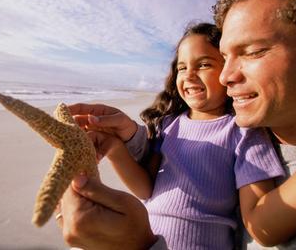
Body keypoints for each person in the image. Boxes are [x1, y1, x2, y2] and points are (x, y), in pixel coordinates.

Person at [56, 0, 296, 249]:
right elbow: (151, 182)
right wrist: (120, 144)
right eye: (224, 57)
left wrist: (140, 244)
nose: (226, 76)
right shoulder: (175, 125)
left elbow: (260, 224)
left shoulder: (246, 134)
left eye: (254, 51)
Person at [88, 22, 285, 249]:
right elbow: (146, 189)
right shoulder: (169, 125)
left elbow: (257, 220)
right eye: (182, 68)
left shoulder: (243, 131)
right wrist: (114, 149)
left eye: (203, 64)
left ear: (227, 71)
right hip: (145, 240)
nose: (189, 75)